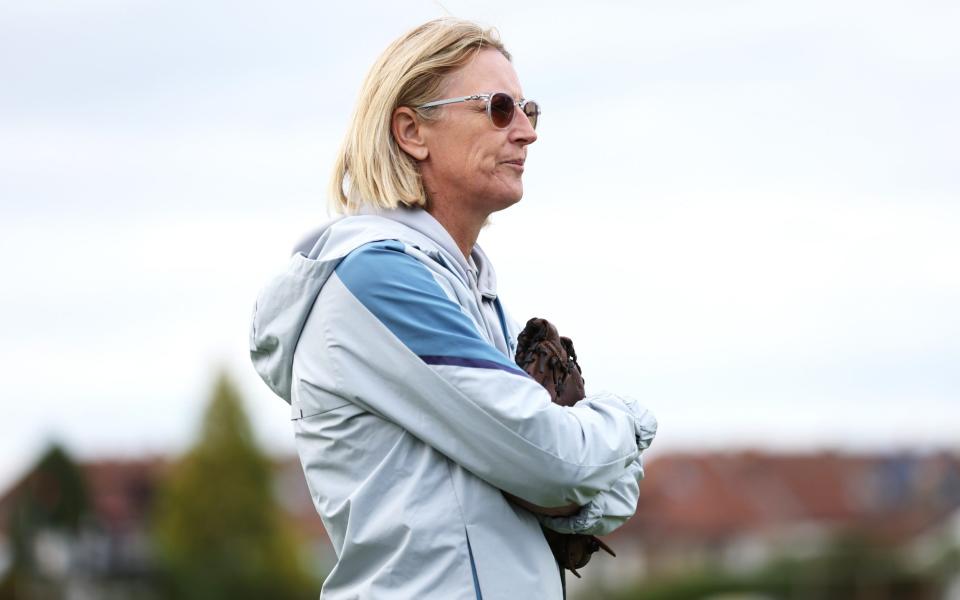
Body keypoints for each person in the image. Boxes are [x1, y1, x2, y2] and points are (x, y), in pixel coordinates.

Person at [249, 18, 657, 599]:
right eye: (497, 108)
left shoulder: (467, 283)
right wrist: (631, 420)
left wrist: (571, 471)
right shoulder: (380, 279)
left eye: (528, 110)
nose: (526, 133)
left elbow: (579, 493)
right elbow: (557, 460)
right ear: (412, 130)